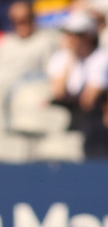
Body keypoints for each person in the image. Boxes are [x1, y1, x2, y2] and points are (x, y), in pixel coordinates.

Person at [46, 9, 108, 141]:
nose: (71, 38)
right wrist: (71, 58)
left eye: (77, 34)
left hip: (92, 121)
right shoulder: (61, 58)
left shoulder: (102, 58)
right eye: (68, 33)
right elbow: (58, 92)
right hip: (68, 117)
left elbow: (88, 101)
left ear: (89, 36)